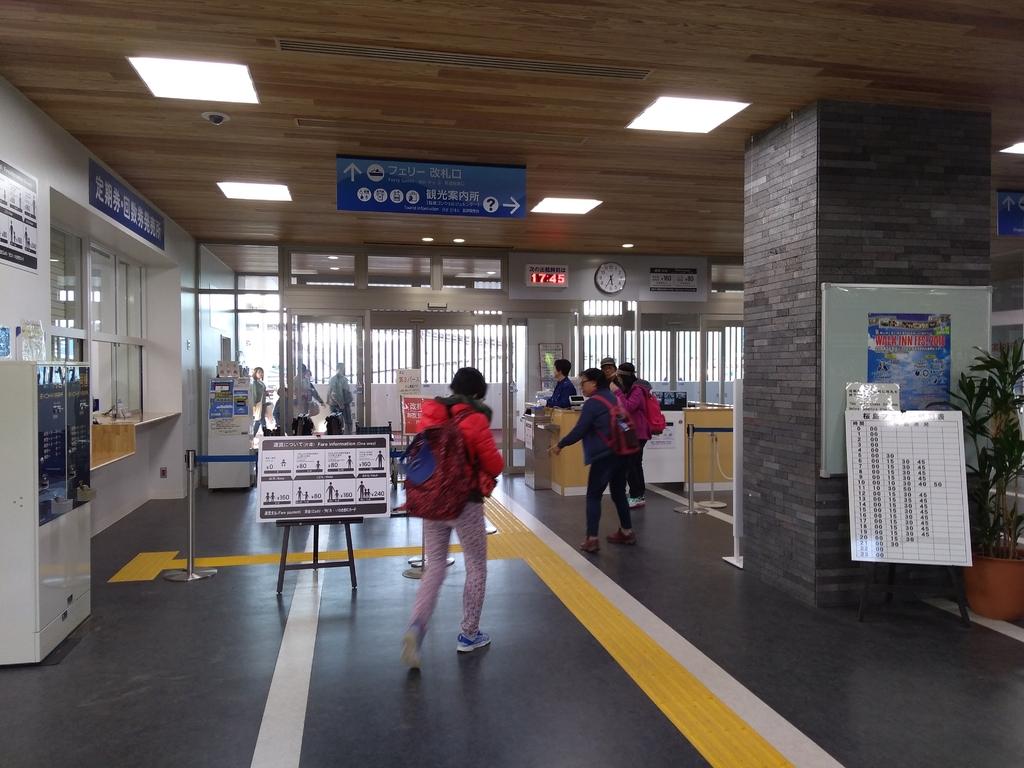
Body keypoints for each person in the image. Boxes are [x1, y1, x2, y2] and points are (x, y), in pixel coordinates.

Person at [402, 367, 504, 669]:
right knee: (475, 566)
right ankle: (469, 634)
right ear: (476, 393)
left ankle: (416, 628)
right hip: (465, 504)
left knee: (435, 567)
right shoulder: (474, 419)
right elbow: (495, 465)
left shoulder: (432, 413)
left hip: (432, 500)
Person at [550, 368, 635, 552]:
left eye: (583, 383)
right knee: (619, 493)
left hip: (604, 455)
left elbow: (579, 430)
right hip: (622, 452)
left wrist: (560, 445)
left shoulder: (593, 403)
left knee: (593, 495)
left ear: (594, 383)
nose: (581, 387)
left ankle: (592, 539)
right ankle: (627, 532)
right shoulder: (614, 398)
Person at [616, 362, 650, 508]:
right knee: (635, 464)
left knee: (632, 465)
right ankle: (639, 495)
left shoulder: (637, 390)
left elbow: (628, 407)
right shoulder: (630, 389)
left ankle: (636, 495)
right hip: (631, 431)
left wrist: (617, 392)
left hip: (638, 432)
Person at [327, 362, 354, 433]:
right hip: (341, 403)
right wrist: (340, 404)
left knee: (336, 422)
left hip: (337, 403)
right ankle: (348, 437)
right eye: (343, 368)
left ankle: (338, 437)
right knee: (346, 421)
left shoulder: (334, 379)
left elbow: (330, 393)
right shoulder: (339, 379)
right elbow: (334, 394)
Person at [250, 367, 268, 436]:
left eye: (262, 372)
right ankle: (266, 434)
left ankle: (253, 435)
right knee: (261, 419)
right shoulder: (255, 383)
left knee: (259, 420)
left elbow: (262, 392)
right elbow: (254, 395)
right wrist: (254, 405)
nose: (261, 374)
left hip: (262, 403)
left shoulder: (260, 382)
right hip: (258, 404)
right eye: (259, 372)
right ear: (255, 373)